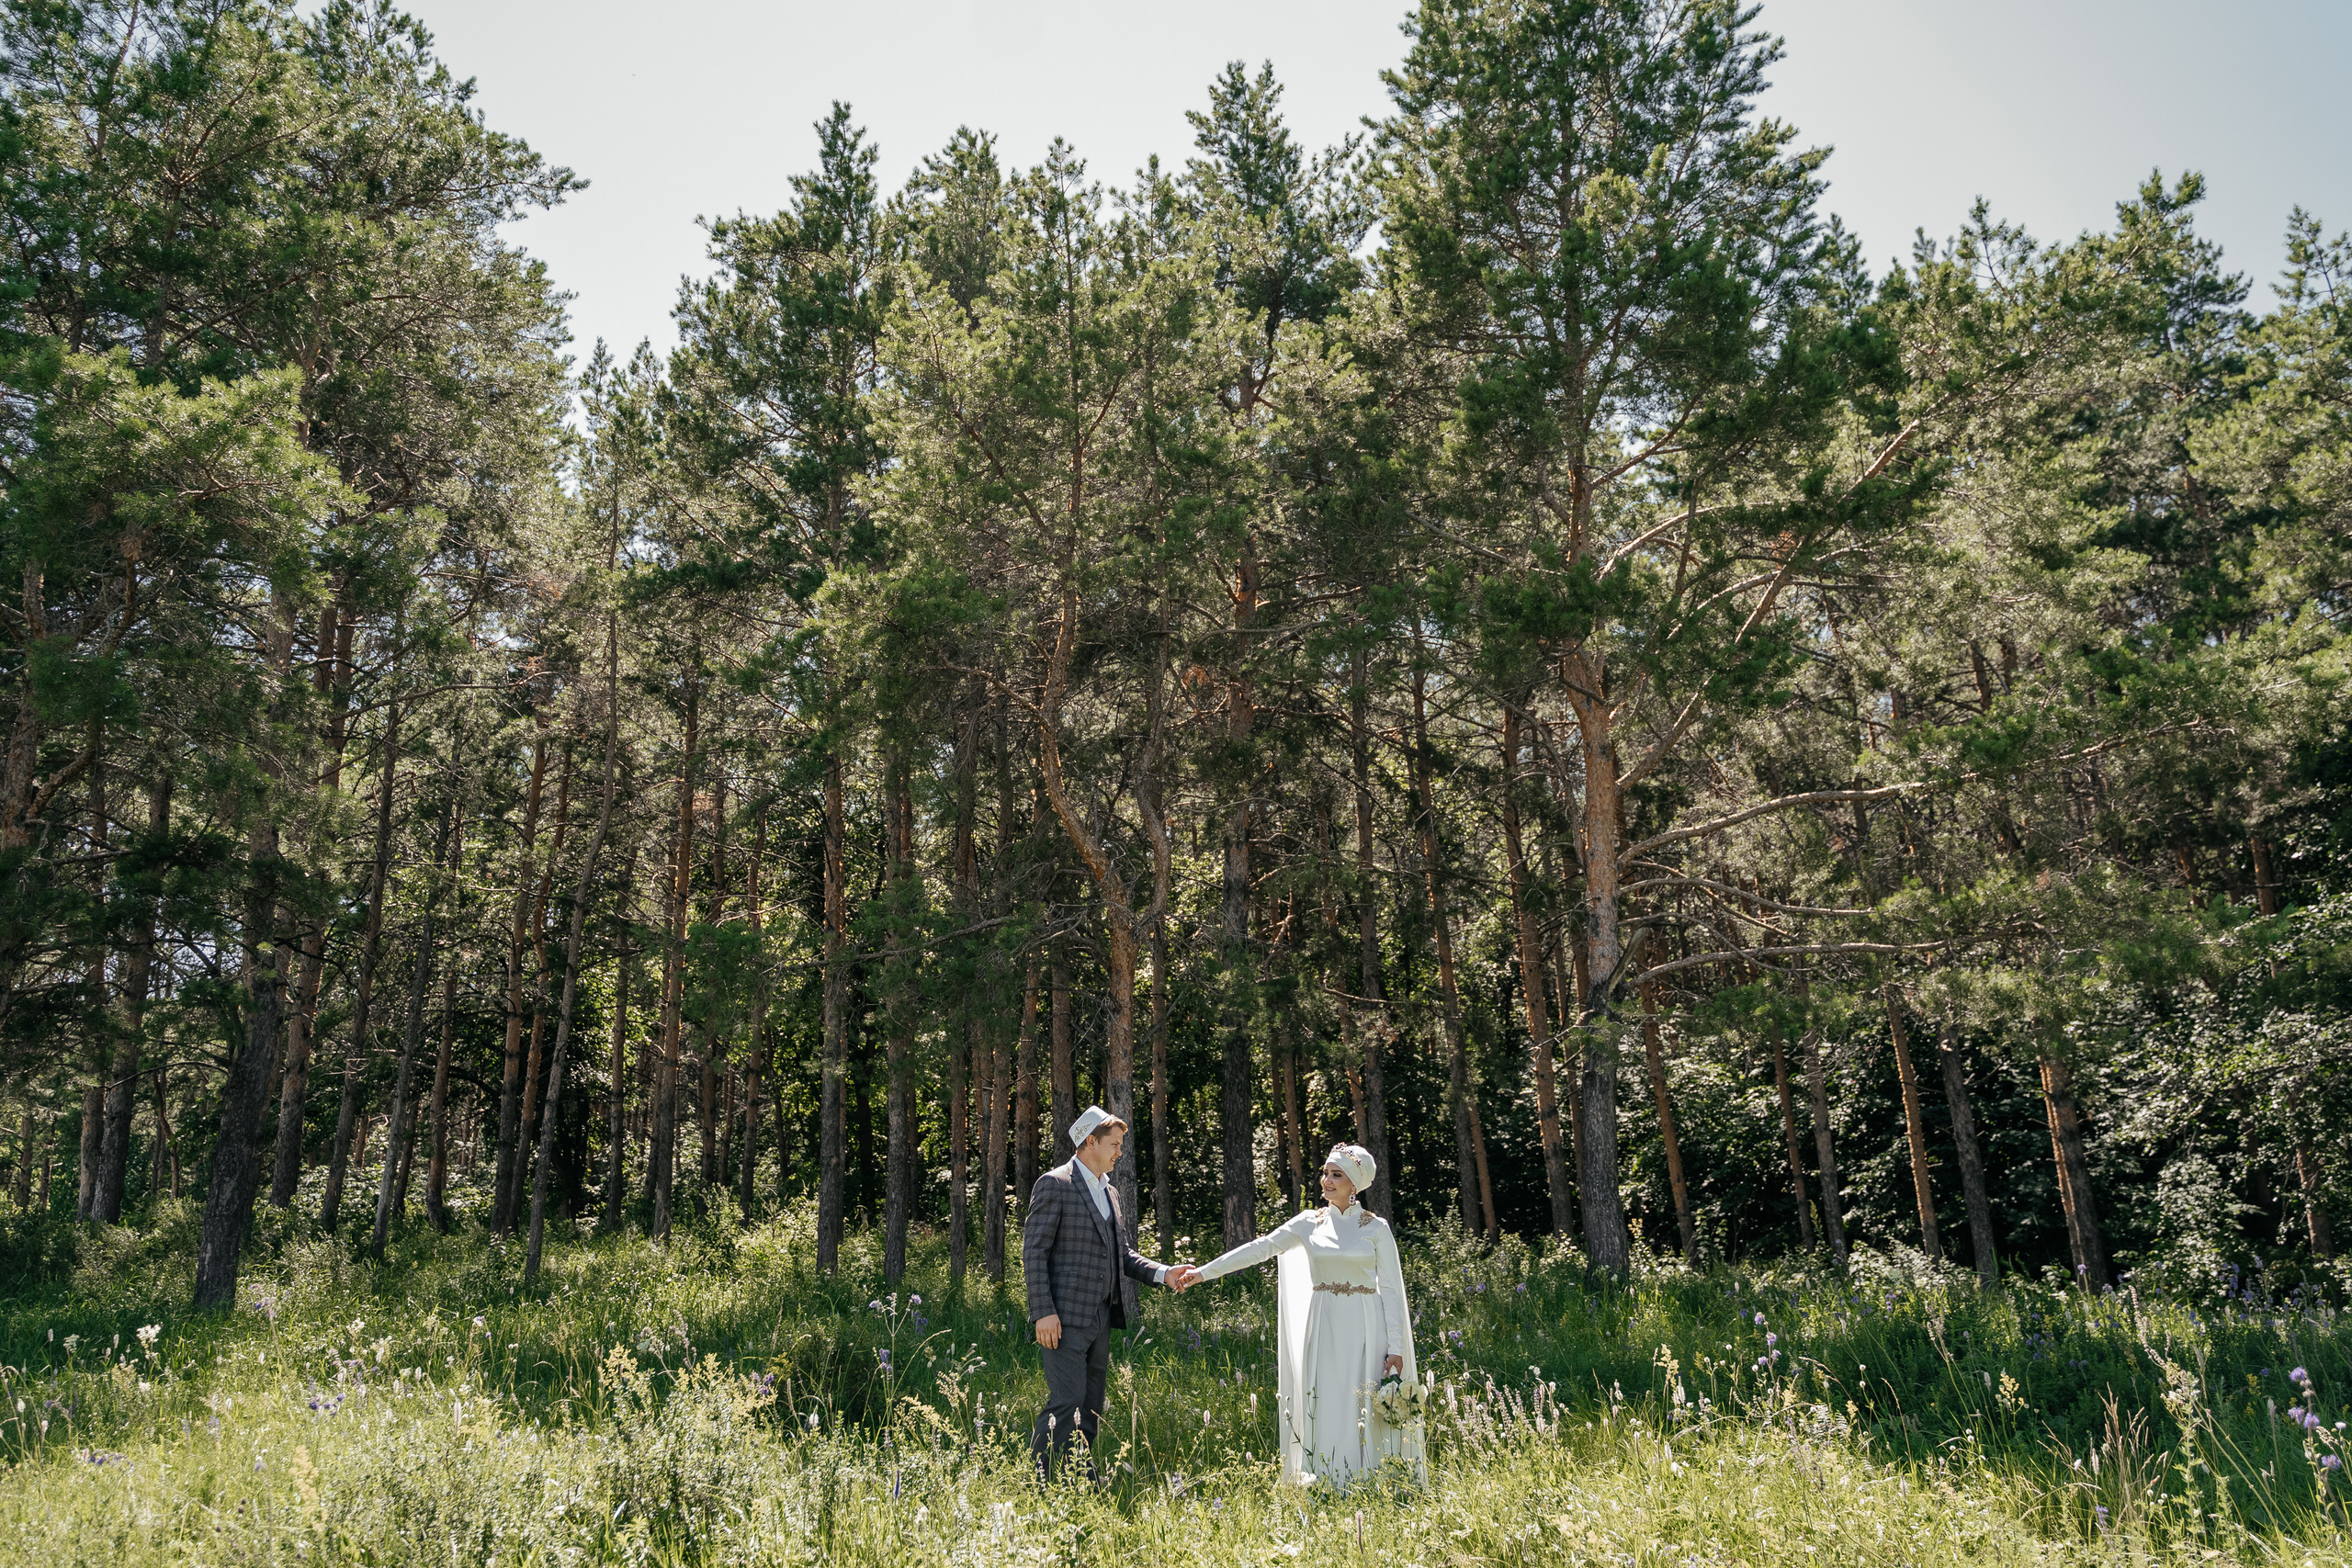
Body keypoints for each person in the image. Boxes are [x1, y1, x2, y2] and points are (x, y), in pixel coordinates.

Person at [1178, 1143, 1424, 1486]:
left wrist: (1396, 1345)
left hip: (1367, 1327)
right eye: (1325, 1173)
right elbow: (1261, 1248)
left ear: (1355, 1184)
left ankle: (1372, 1481)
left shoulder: (1376, 1228)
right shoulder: (1309, 1223)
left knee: (1365, 1402)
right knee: (1326, 1400)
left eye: (1336, 1175)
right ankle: (1327, 1480)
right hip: (1323, 1325)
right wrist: (1204, 1272)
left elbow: (1392, 1290)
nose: (1327, 1180)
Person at [1022, 1105, 1181, 1479]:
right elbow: (1034, 1252)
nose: (1119, 1152)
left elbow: (1122, 1254)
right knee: (1066, 1401)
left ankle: (1080, 1478)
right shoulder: (1055, 1184)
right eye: (1115, 1144)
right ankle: (1038, 1481)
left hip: (1101, 1317)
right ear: (1090, 1142)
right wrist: (1043, 1311)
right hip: (1062, 1319)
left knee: (1090, 1405)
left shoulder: (1110, 1192)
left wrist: (1165, 1273)